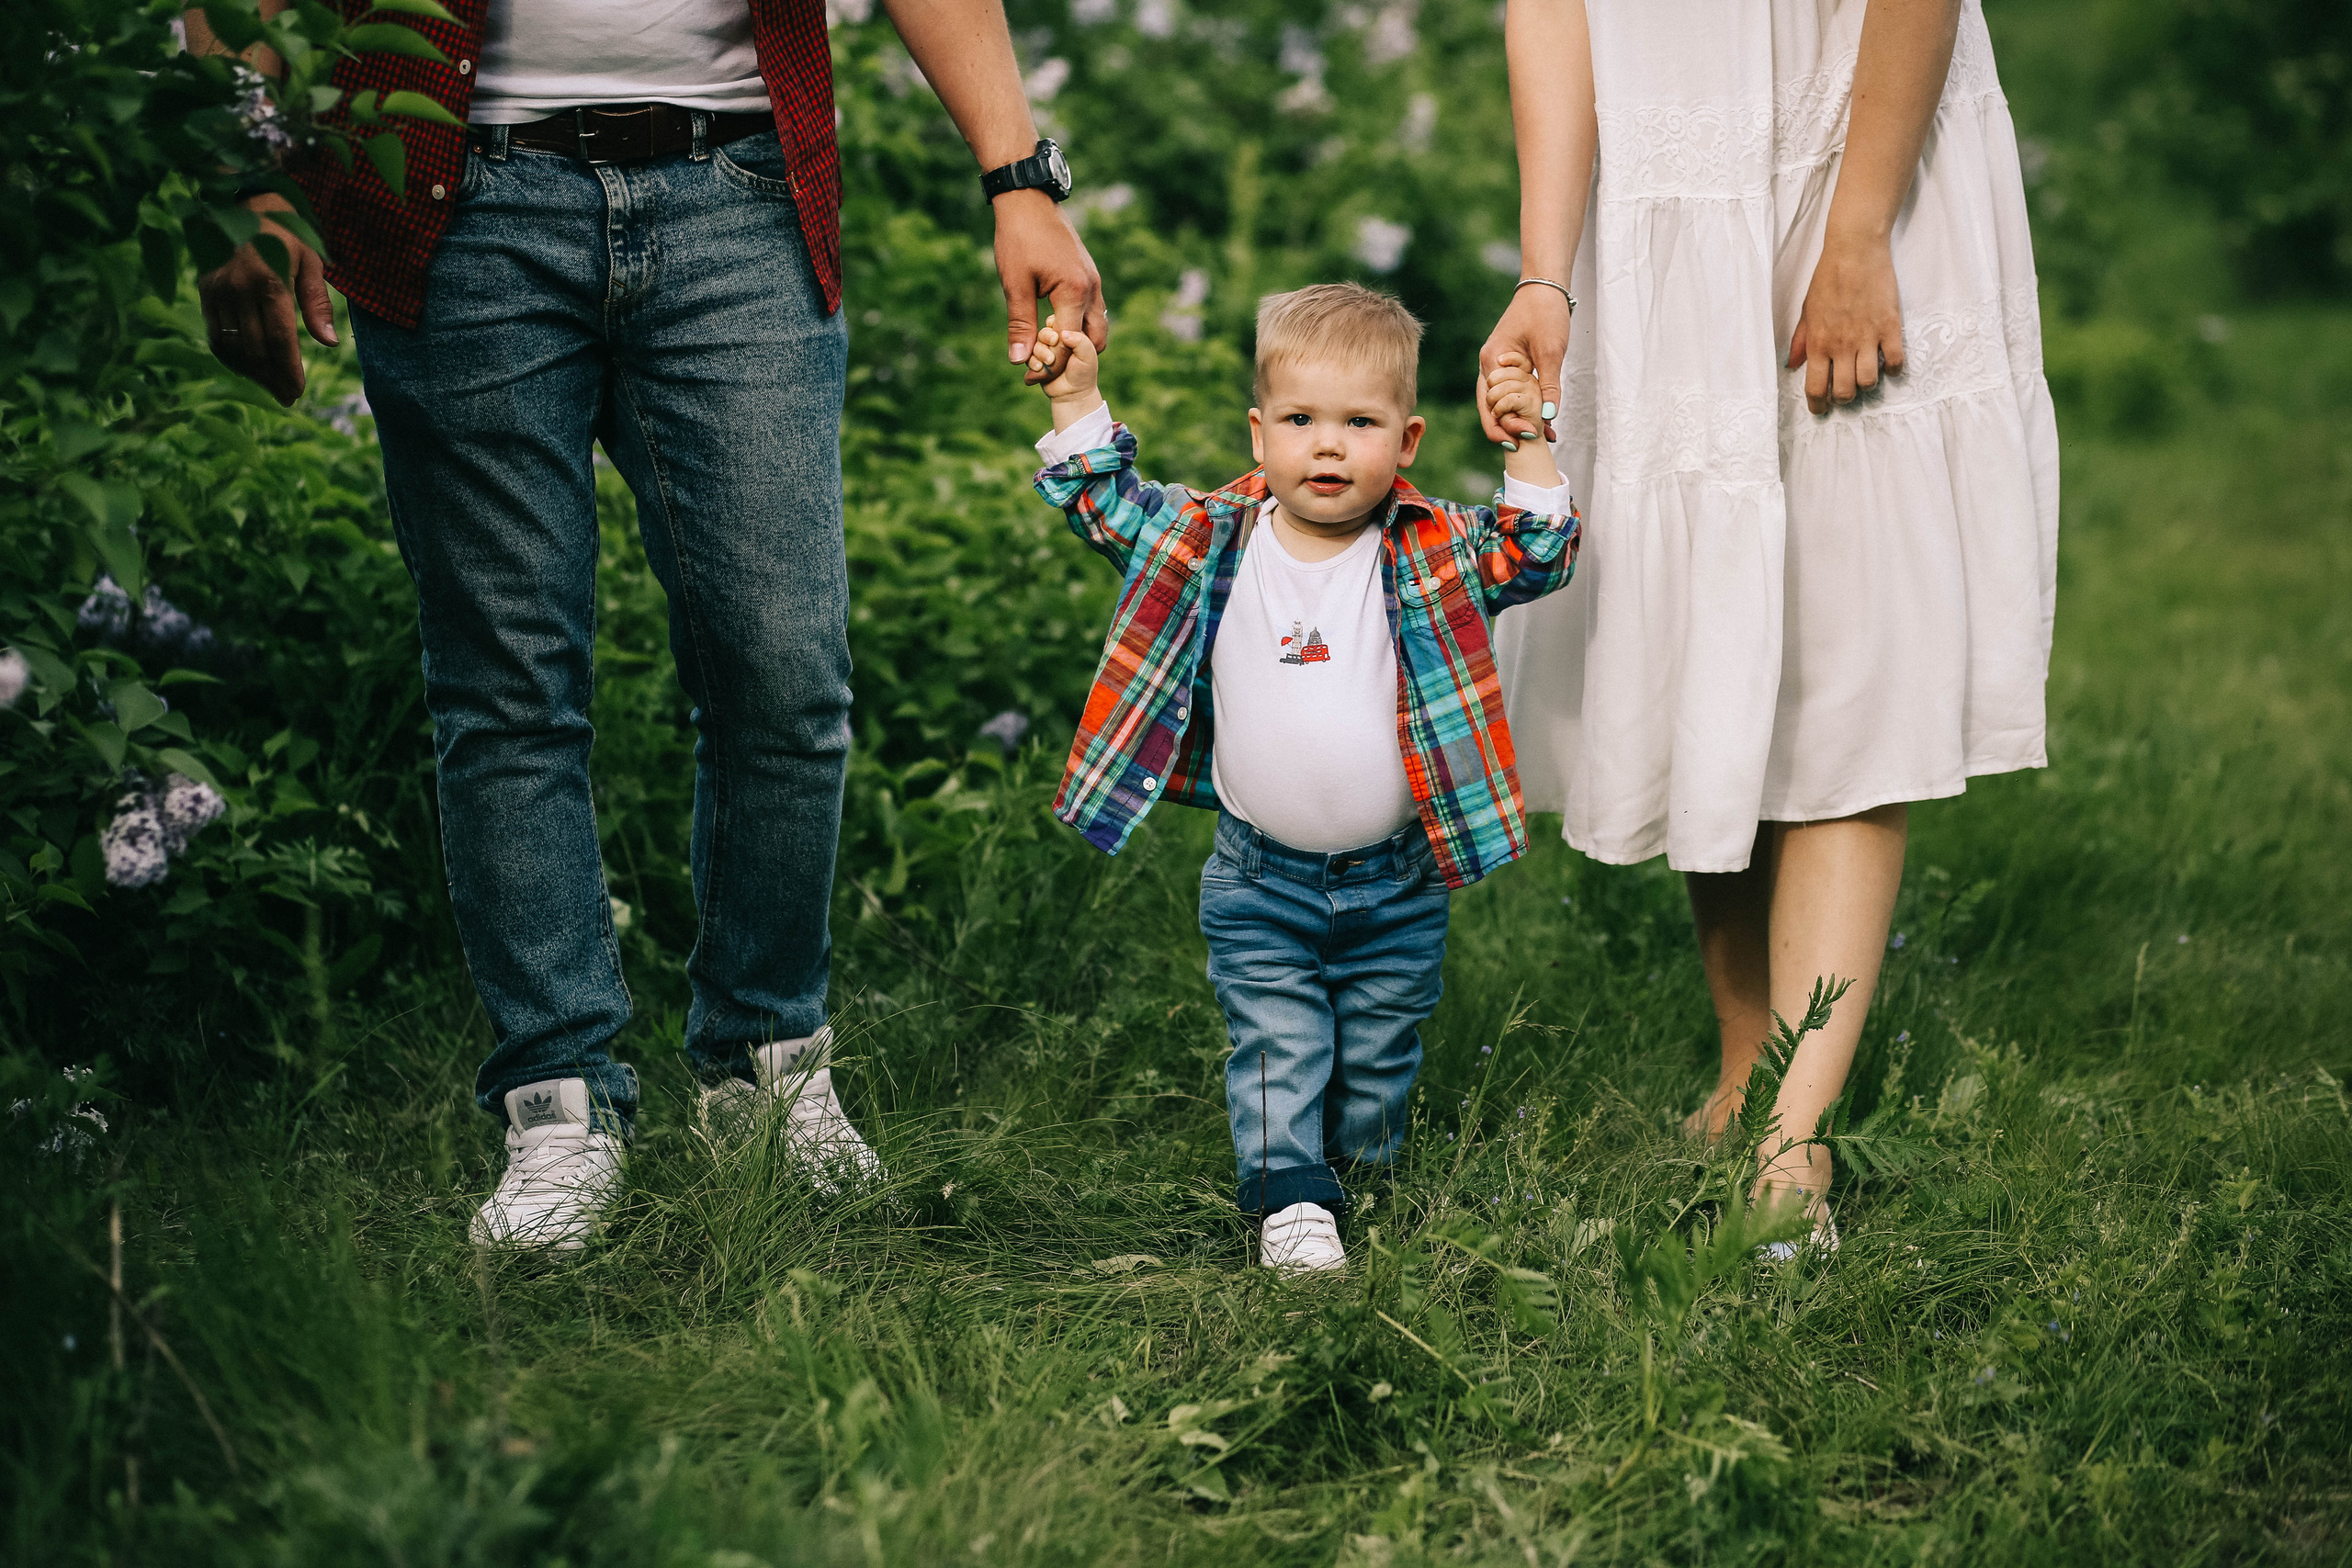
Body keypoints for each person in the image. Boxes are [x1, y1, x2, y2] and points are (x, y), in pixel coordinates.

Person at [191, 0, 1107, 1249]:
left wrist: (1020, 177)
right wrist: (242, 175)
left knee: (784, 670)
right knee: (506, 681)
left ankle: (767, 1061)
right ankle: (558, 1101)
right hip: (449, 195)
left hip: (737, 186)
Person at [1478, 0, 2058, 1251]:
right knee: (1702, 610)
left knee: (1852, 631)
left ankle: (1800, 1143)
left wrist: (1859, 231)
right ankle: (1751, 1060)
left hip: (1855, 155)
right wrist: (1546, 269)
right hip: (1667, 189)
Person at [1024, 286, 1581, 1273]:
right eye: (1301, 422)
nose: (1327, 447)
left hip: (1399, 881)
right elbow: (1104, 503)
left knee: (1376, 1052)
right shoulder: (1210, 541)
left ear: (1405, 441)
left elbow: (1536, 553)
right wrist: (1077, 397)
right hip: (1259, 880)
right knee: (1277, 1041)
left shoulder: (1430, 551)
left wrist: (1526, 443)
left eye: (1358, 424)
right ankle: (1287, 1196)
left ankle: (1355, 1181)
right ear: (1260, 430)